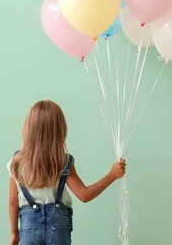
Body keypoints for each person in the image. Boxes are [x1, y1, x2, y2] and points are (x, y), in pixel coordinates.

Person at [7, 100, 126, 245]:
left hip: (29, 228)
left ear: (28, 129)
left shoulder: (17, 162)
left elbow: (13, 203)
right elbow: (84, 195)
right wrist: (112, 175)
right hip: (59, 228)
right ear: (59, 131)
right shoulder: (62, 162)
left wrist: (14, 233)